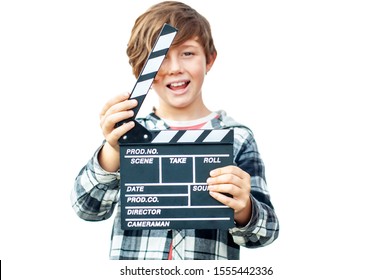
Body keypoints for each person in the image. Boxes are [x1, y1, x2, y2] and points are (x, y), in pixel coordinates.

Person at [71, 0, 279, 260]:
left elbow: (265, 232)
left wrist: (244, 208)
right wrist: (112, 152)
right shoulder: (129, 133)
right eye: (160, 57)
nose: (174, 68)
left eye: (187, 53)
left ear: (210, 59)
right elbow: (87, 208)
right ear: (141, 69)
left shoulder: (237, 137)